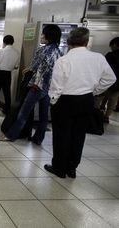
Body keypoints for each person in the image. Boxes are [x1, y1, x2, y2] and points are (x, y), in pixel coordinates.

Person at [45, 28, 116, 178]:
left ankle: (59, 168)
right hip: (86, 100)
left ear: (69, 42)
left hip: (65, 101)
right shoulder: (98, 58)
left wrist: (53, 101)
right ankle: (72, 168)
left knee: (61, 136)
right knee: (78, 135)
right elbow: (110, 78)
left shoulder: (64, 60)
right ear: (86, 41)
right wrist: (95, 90)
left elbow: (57, 85)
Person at [0, 24, 62, 145]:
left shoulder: (42, 49)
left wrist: (28, 71)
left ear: (48, 36)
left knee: (24, 112)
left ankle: (11, 135)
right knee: (44, 116)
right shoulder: (60, 52)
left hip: (37, 86)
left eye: (43, 34)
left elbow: (33, 67)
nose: (42, 36)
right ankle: (38, 138)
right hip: (50, 87)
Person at [0, 35, 20, 115]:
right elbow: (16, 67)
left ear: (4, 42)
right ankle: (7, 110)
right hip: (8, 74)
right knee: (7, 93)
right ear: (12, 42)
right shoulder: (17, 52)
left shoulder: (1, 51)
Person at [95, 37, 119, 123]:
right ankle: (106, 116)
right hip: (117, 85)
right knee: (113, 101)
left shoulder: (110, 55)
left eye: (112, 46)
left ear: (115, 45)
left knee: (100, 97)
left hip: (107, 82)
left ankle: (97, 113)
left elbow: (102, 68)